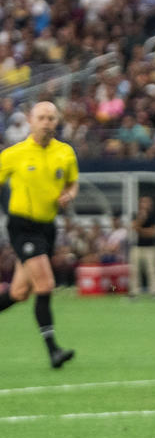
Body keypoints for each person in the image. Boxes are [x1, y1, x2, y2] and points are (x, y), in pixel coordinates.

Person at [0, 101, 77, 368]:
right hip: (22, 226)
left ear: (57, 122)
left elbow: (72, 181)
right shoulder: (14, 154)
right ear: (30, 121)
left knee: (19, 293)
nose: (46, 122)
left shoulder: (65, 153)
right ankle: (53, 351)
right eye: (41, 117)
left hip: (47, 226)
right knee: (45, 285)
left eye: (51, 118)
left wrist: (69, 194)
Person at [129, 195, 155, 297]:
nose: (145, 204)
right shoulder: (136, 214)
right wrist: (141, 219)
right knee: (134, 271)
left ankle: (154, 292)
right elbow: (133, 227)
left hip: (150, 247)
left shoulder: (154, 215)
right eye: (143, 202)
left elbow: (152, 232)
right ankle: (134, 292)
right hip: (137, 246)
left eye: (147, 202)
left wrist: (140, 230)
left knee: (152, 270)